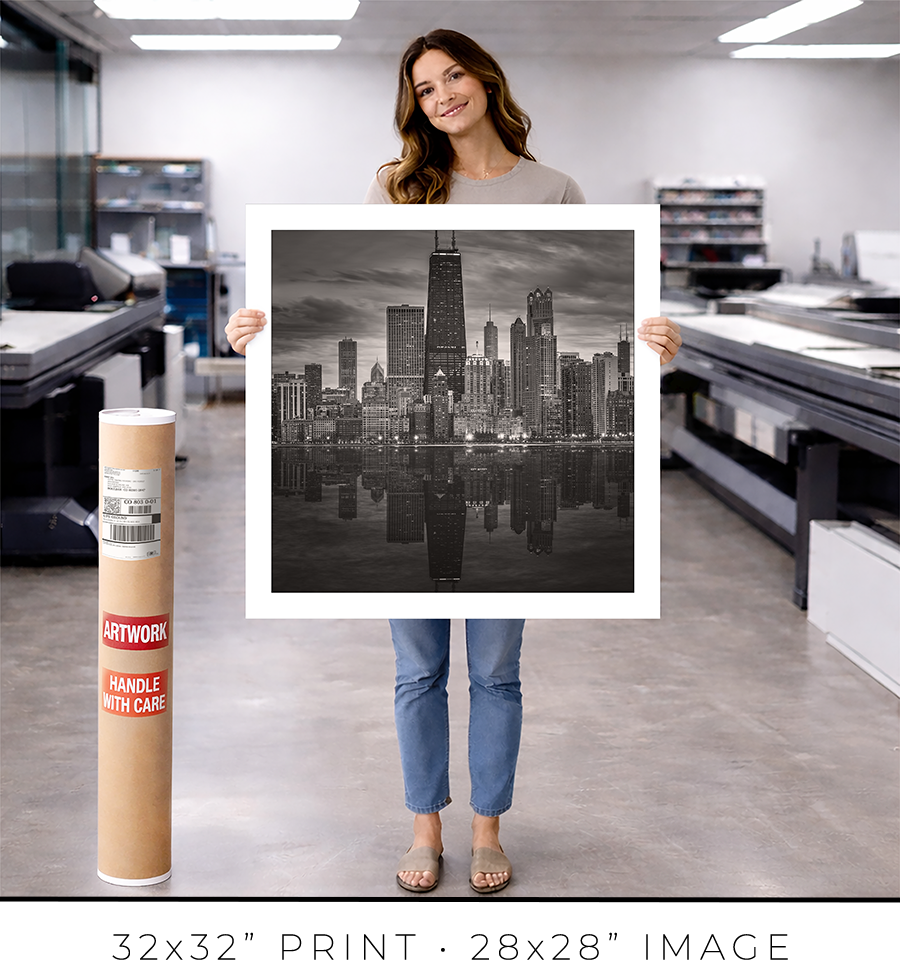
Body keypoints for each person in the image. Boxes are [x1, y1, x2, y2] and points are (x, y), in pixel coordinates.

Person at [225, 28, 682, 894]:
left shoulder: (555, 191)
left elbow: (624, 297)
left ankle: (487, 828)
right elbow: (296, 284)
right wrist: (255, 330)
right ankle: (424, 824)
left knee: (496, 672)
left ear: (485, 78)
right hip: (429, 419)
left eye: (452, 77)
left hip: (505, 384)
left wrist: (660, 341)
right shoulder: (396, 187)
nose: (441, 97)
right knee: (418, 669)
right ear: (416, 108)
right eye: (424, 89)